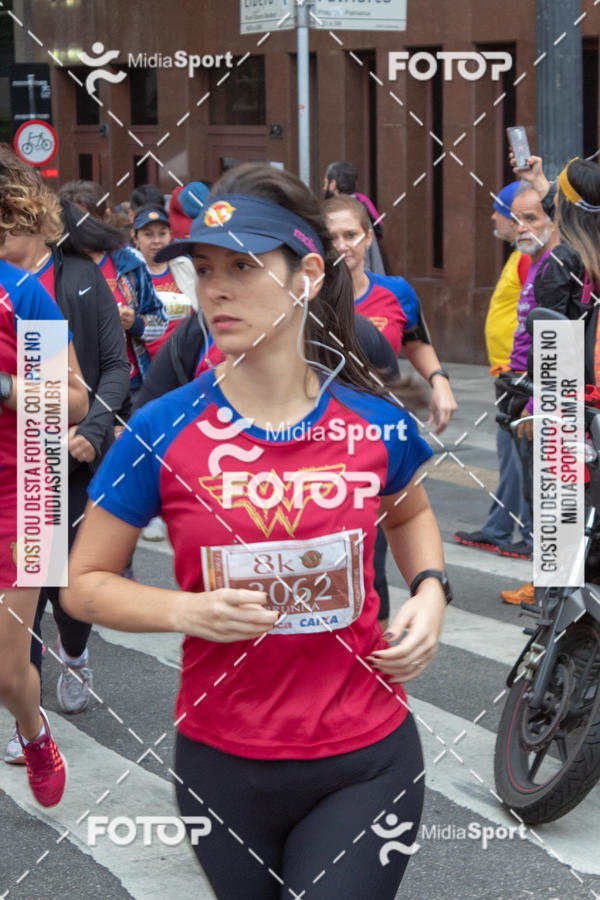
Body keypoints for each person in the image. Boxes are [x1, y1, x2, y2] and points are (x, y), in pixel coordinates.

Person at [63, 162, 451, 898]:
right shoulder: (162, 428)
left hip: (366, 756)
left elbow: (412, 512)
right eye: (205, 269)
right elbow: (84, 586)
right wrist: (184, 610)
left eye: (243, 267)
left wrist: (430, 590)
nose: (215, 290)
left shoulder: (373, 422)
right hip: (223, 763)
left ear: (306, 272)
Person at [0, 248, 89, 805]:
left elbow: (75, 399)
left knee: (8, 675)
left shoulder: (22, 294)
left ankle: (33, 732)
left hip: (22, 488)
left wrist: (6, 388)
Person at [324, 194, 457, 433]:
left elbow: (415, 342)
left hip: (384, 422)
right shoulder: (307, 299)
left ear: (368, 238)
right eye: (332, 238)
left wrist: (439, 380)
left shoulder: (397, 292)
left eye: (350, 235)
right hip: (326, 428)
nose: (342, 246)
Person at [454, 182, 533, 559]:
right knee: (513, 454)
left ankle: (524, 534)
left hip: (519, 376)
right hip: (510, 374)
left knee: (519, 454)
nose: (492, 217)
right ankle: (501, 528)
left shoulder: (528, 255)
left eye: (498, 210)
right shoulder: (519, 255)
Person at [496, 185, 559, 605]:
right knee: (537, 496)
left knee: (548, 498)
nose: (521, 227)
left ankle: (548, 584)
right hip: (521, 393)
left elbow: (554, 346)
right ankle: (545, 581)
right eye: (517, 218)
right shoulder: (534, 262)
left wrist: (536, 407)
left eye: (532, 218)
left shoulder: (557, 266)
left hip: (540, 403)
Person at [58, 181, 167, 393]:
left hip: (130, 384)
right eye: (75, 221)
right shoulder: (54, 265)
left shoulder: (129, 262)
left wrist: (133, 322)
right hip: (74, 387)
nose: (82, 228)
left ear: (105, 217)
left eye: (89, 220)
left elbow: (159, 321)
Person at [131, 203, 198, 541]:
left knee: (182, 442)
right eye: (148, 234)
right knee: (149, 441)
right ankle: (151, 511)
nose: (156, 241)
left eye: (162, 233)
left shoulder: (185, 267)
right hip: (144, 374)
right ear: (136, 238)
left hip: (184, 372)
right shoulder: (130, 273)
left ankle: (179, 506)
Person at [323, 161, 387, 274]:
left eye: (350, 235)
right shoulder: (361, 206)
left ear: (332, 184)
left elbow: (364, 261)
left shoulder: (352, 211)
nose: (342, 246)